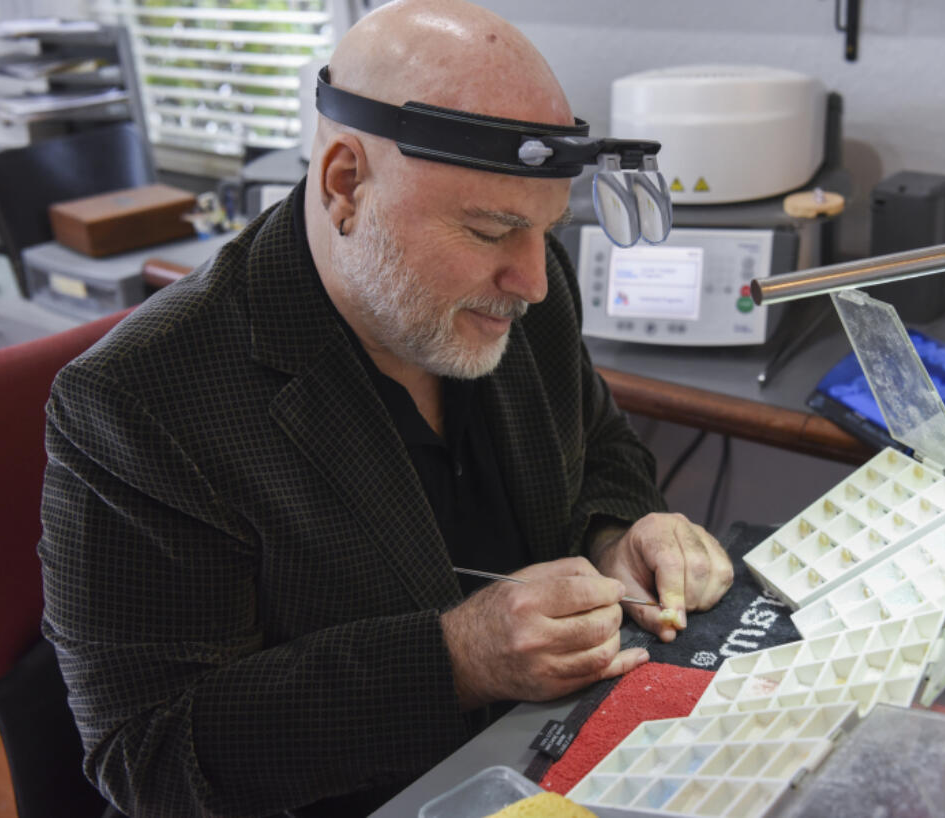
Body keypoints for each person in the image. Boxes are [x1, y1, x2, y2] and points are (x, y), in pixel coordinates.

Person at [38, 1, 734, 815]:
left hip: (558, 753)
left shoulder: (530, 289)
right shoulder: (139, 403)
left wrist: (624, 532)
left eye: (545, 230)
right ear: (344, 183)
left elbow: (602, 446)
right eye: (489, 230)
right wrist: (457, 660)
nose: (534, 282)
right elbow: (148, 754)